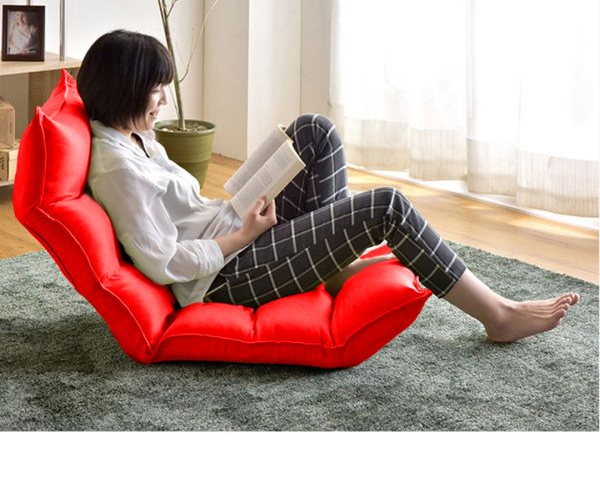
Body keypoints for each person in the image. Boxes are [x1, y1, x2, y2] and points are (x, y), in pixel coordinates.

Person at [80, 29, 579, 343]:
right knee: (385, 206)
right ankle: (498, 314)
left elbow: (185, 214)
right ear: (125, 90)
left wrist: (242, 208)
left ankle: (333, 267)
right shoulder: (118, 170)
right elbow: (164, 263)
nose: (165, 101)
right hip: (222, 278)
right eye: (156, 90)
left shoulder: (133, 135)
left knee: (314, 131)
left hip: (228, 229)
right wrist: (242, 235)